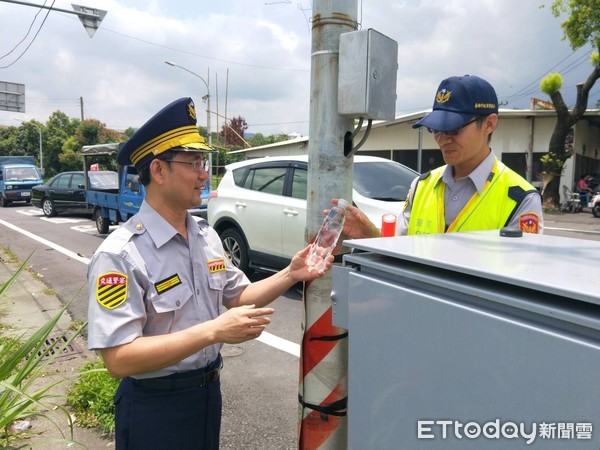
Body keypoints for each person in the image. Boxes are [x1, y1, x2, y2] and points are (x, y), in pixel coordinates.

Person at [86, 97, 331, 450]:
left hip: (207, 396)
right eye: (194, 163)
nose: (204, 173)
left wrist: (292, 273)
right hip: (155, 407)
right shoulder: (121, 254)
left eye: (204, 162)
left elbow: (237, 296)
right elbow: (119, 358)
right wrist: (213, 331)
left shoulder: (204, 235)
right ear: (158, 170)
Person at [333, 74, 543, 238]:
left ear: (489, 124)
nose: (443, 139)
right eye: (436, 130)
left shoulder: (520, 199)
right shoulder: (421, 186)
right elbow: (400, 250)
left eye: (453, 129)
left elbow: (521, 278)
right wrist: (371, 235)